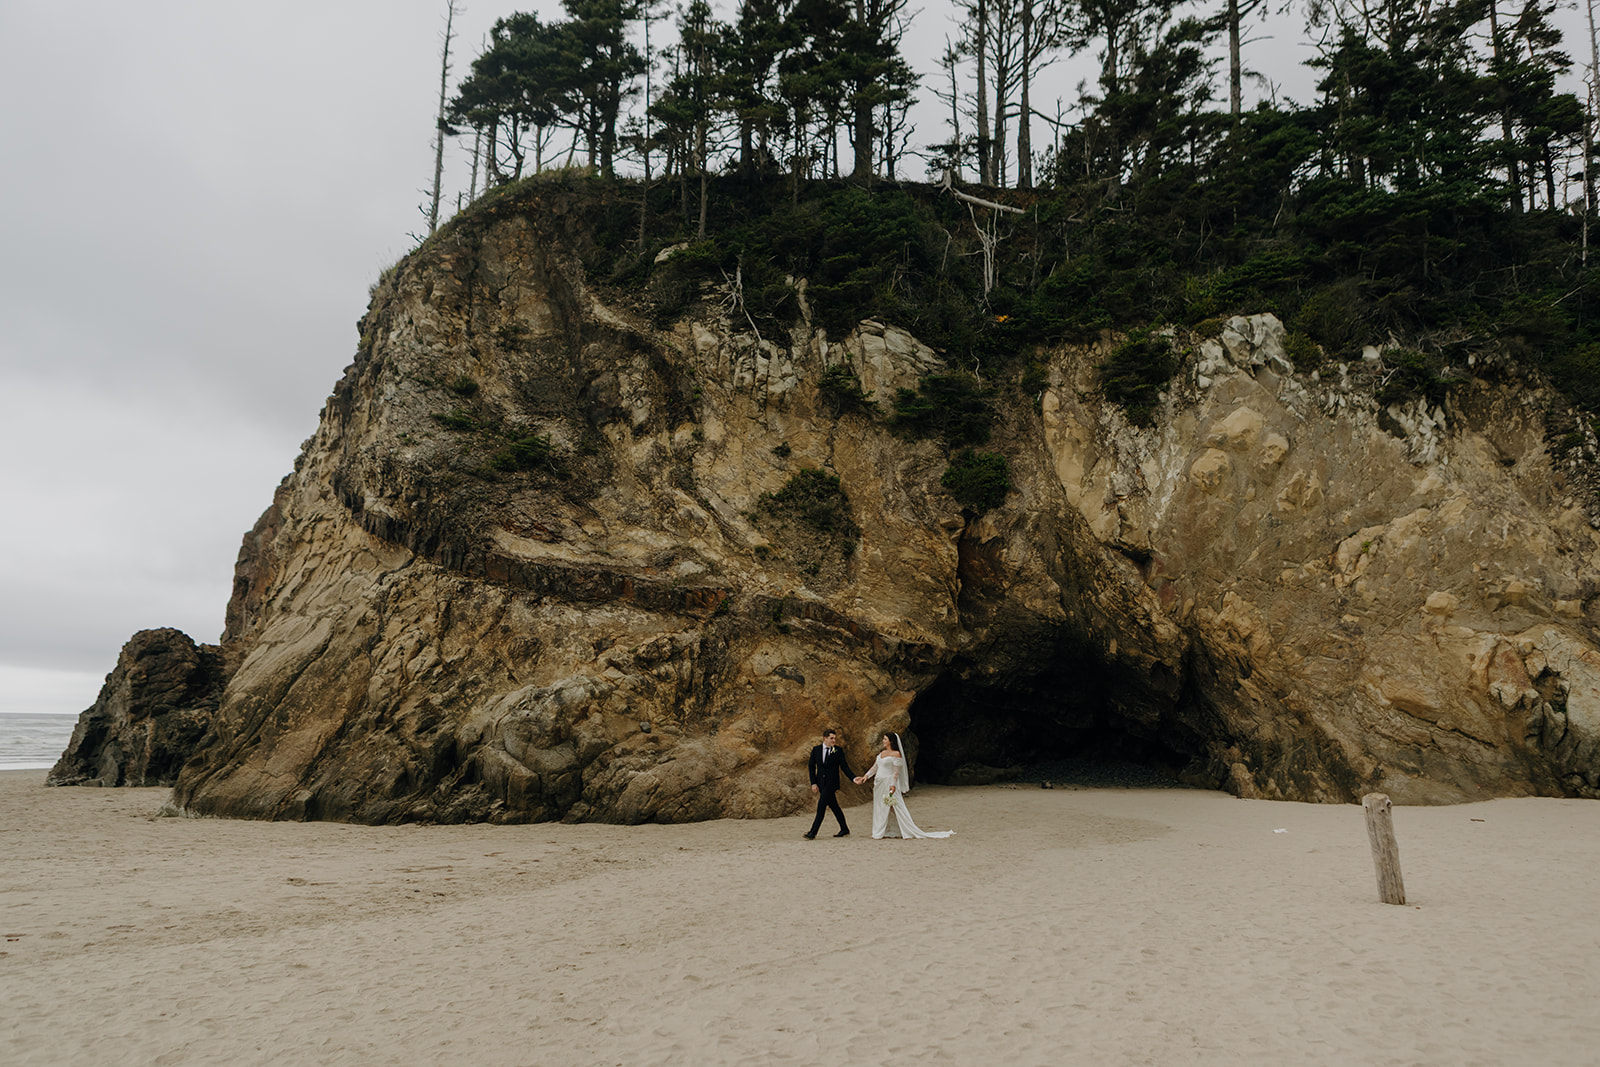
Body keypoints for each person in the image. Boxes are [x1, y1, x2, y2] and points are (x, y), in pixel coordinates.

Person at [854, 732, 955, 840]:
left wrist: (893, 785)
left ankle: (907, 828)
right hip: (879, 783)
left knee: (896, 806)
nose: (883, 741)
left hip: (889, 783)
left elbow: (896, 773)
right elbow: (875, 767)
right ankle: (879, 832)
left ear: (891, 741)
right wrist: (865, 777)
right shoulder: (882, 753)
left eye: (885, 739)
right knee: (879, 807)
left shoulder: (896, 754)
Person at [805, 728, 856, 839]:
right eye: (831, 738)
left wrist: (853, 778)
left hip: (832, 784)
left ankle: (813, 832)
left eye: (835, 738)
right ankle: (844, 828)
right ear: (825, 738)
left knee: (821, 806)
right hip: (821, 783)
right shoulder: (816, 750)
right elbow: (811, 767)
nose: (834, 740)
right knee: (834, 807)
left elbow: (844, 767)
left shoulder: (838, 751)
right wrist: (813, 783)